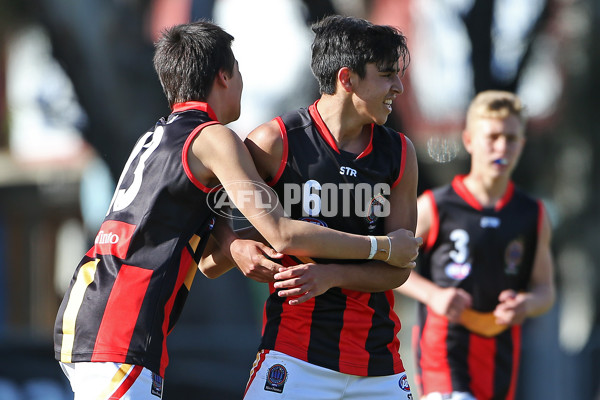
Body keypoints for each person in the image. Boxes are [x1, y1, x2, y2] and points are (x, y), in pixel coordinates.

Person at [53, 20, 422, 399]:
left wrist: (235, 247)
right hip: (122, 326)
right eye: (388, 75)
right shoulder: (219, 140)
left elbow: (204, 244)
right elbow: (279, 232)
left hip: (98, 311)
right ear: (224, 78)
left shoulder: (157, 136)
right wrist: (383, 247)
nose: (398, 86)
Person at [200, 15, 419, 400]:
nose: (398, 87)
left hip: (378, 363)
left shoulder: (400, 153)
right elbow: (214, 227)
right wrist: (236, 248)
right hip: (294, 356)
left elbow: (397, 269)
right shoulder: (274, 143)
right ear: (347, 79)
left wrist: (331, 275)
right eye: (387, 75)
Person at [395, 90, 556, 400]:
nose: (502, 147)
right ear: (469, 140)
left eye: (511, 138)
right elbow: (389, 261)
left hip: (500, 352)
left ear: (521, 144)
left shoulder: (532, 213)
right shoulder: (434, 206)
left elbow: (544, 290)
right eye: (492, 137)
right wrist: (434, 295)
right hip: (444, 347)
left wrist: (526, 304)